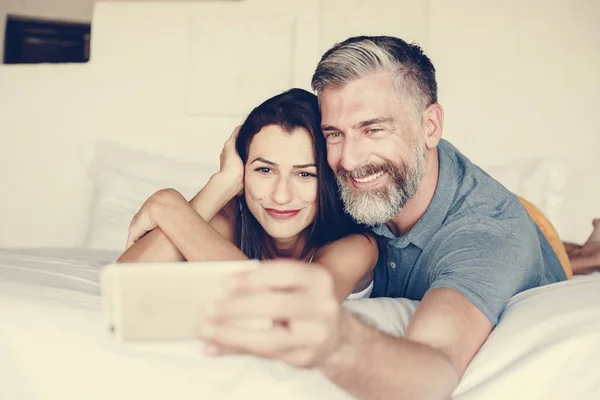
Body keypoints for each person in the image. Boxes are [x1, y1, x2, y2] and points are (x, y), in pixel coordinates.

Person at [188, 36, 598, 400]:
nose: (348, 160)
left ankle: (583, 252)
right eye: (334, 133)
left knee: (551, 249)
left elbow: (433, 367)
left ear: (430, 126)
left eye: (373, 129)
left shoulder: (487, 236)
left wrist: (339, 340)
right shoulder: (350, 181)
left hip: (521, 226)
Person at [117, 88, 378, 302]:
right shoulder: (232, 222)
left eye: (305, 174)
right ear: (242, 173)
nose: (281, 196)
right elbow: (125, 281)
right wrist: (220, 186)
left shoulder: (357, 246)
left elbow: (288, 308)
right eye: (265, 170)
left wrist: (168, 206)